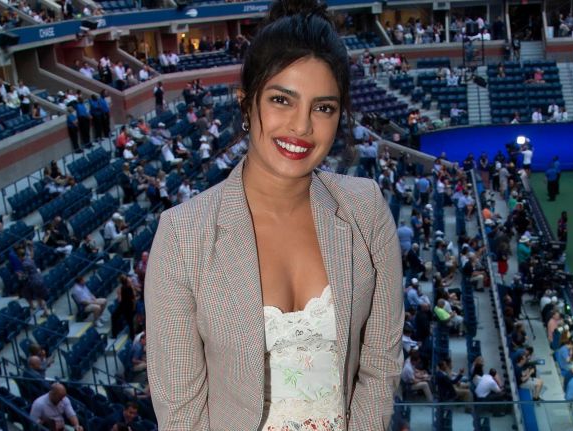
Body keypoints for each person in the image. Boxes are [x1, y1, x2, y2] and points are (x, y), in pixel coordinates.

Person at [145, 0, 404, 428]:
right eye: (282, 100)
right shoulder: (183, 235)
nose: (302, 126)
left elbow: (379, 365)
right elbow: (181, 414)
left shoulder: (366, 209)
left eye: (323, 108)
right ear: (247, 104)